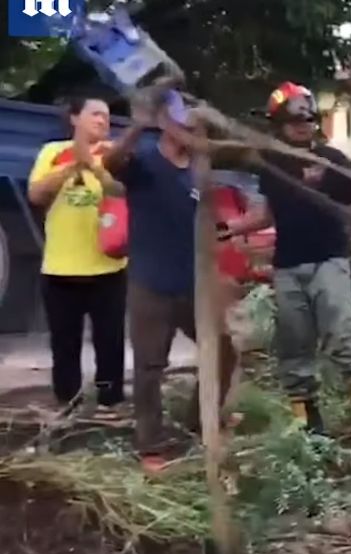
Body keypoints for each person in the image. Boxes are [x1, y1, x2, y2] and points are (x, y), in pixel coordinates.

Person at [220, 81, 351, 470]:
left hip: (328, 261)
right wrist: (232, 227)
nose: (302, 127)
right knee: (295, 350)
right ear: (278, 125)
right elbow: (267, 213)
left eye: (307, 120)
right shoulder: (271, 162)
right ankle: (310, 428)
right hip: (287, 267)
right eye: (293, 122)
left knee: (343, 339)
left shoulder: (333, 159)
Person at [102, 90, 237, 472]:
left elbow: (206, 228)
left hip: (192, 286)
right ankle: (150, 445)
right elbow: (111, 162)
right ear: (167, 125)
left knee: (225, 350)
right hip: (149, 284)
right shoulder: (144, 164)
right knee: (149, 368)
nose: (193, 133)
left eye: (198, 128)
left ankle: (200, 420)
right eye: (186, 126)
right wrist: (137, 125)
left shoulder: (199, 172)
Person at [27, 92, 128, 418]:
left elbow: (120, 192)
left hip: (108, 268)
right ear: (74, 118)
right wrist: (75, 165)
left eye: (107, 116)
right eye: (95, 114)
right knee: (64, 344)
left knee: (110, 342)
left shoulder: (114, 154)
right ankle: (67, 405)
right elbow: (37, 195)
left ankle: (110, 404)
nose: (103, 120)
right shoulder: (52, 152)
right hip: (60, 269)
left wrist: (97, 168)